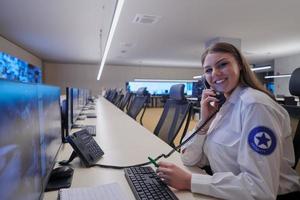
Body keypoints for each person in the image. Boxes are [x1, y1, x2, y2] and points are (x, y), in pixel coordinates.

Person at [156, 42, 300, 199]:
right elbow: (189, 158)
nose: (215, 73)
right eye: (208, 70)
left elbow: (260, 189)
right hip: (229, 192)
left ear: (239, 65)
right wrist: (204, 123)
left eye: (223, 64)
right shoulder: (225, 107)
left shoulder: (255, 106)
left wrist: (190, 181)